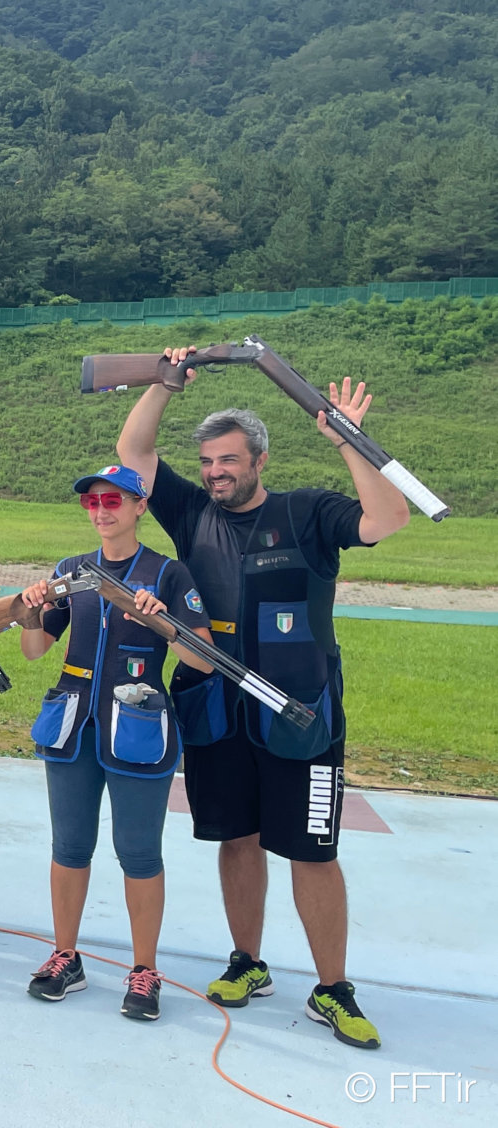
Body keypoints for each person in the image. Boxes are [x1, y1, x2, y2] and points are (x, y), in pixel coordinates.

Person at [117, 352, 410, 1049]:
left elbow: (389, 517)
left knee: (313, 852)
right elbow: (133, 452)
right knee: (236, 839)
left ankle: (332, 988)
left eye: (228, 460)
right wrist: (162, 385)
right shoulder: (192, 513)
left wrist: (348, 442)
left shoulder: (306, 512)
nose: (215, 472)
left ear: (259, 459)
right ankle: (247, 962)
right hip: (217, 712)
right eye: (207, 462)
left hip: (302, 717)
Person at [14, 464, 216, 1021]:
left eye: (113, 501)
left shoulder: (168, 574)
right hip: (72, 724)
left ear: (139, 506)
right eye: (92, 502)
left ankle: (145, 969)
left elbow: (202, 660)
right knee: (69, 847)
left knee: (139, 852)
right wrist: (30, 612)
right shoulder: (70, 570)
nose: (101, 511)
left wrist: (165, 624)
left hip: (138, 726)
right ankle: (65, 956)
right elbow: (34, 650)